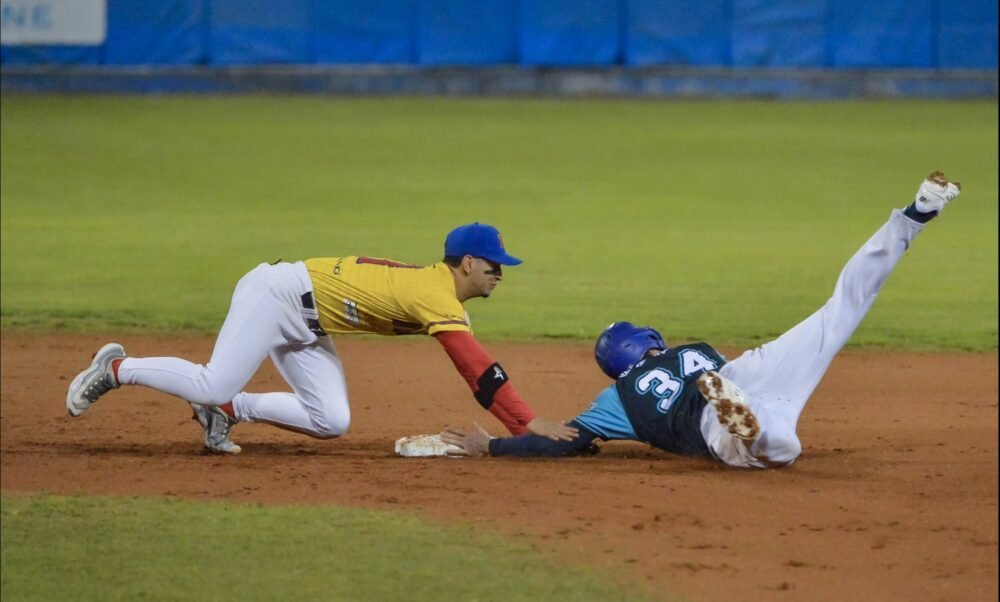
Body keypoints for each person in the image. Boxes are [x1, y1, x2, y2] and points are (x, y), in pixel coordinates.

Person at [442, 172, 962, 468]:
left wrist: (492, 444)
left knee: (778, 448)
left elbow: (564, 441)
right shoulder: (686, 349)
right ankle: (913, 215)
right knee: (838, 311)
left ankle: (749, 427)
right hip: (746, 370)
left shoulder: (615, 400)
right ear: (647, 341)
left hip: (711, 417)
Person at [66, 222, 578, 453]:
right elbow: (475, 368)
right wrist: (526, 422)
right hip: (278, 295)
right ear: (467, 262)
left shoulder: (440, 293)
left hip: (309, 322)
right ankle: (115, 368)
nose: (500, 274)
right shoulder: (435, 295)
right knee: (209, 382)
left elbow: (475, 366)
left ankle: (230, 412)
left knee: (330, 421)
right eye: (494, 265)